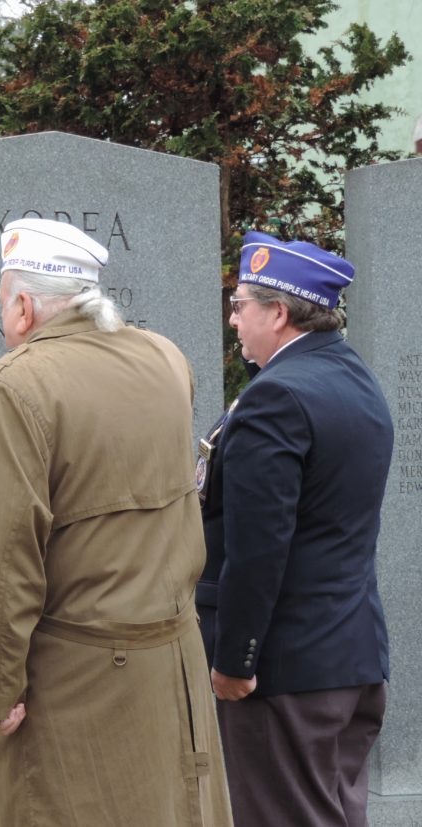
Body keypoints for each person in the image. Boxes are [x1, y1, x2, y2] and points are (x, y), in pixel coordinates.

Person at [0, 217, 232, 826]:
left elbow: (1, 559)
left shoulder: (11, 388)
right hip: (173, 666)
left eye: (4, 301)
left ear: (23, 307)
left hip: (74, 683)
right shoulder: (164, 358)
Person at [196, 231, 393, 827]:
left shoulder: (276, 397)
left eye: (240, 306)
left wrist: (236, 659)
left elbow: (259, 549)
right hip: (349, 656)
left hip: (282, 671)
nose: (233, 321)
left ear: (278, 314)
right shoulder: (354, 379)